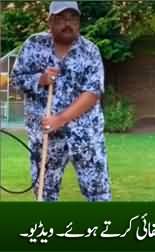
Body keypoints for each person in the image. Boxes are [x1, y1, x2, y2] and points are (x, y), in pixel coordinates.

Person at [11, 1, 111, 201]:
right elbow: (15, 80)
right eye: (62, 18)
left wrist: (60, 119)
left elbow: (92, 93)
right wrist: (40, 79)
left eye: (73, 18)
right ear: (50, 21)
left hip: (86, 137)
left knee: (98, 193)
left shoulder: (90, 51)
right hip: (46, 138)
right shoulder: (33, 45)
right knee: (44, 194)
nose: (68, 23)